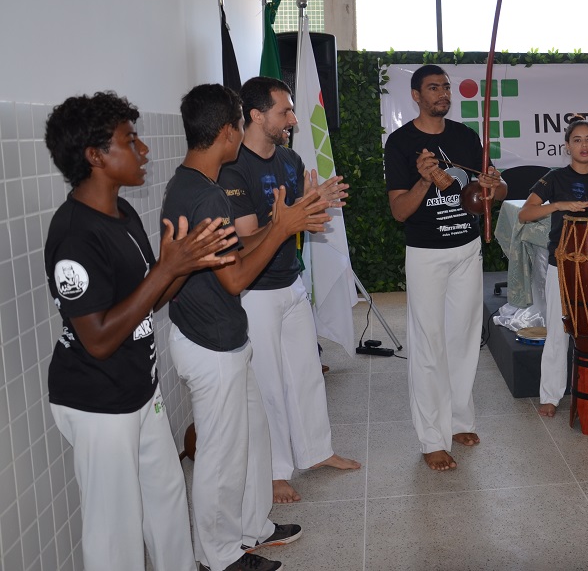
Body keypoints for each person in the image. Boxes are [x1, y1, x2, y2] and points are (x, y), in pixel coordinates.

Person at [43, 91, 236, 571]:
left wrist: (187, 264)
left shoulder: (122, 213)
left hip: (139, 390)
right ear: (95, 156)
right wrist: (167, 268)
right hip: (98, 402)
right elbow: (98, 339)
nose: (144, 150)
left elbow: (149, 299)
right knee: (115, 533)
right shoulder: (75, 236)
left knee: (167, 503)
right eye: (131, 140)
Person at [162, 83, 330, 571]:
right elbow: (235, 279)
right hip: (209, 343)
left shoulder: (199, 185)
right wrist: (283, 229)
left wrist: (281, 224)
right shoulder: (203, 196)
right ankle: (218, 556)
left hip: (227, 338)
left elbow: (235, 254)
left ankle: (253, 527)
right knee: (221, 455)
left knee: (254, 438)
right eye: (238, 125)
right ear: (227, 132)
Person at [219, 76, 361, 505]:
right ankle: (276, 471)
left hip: (290, 281)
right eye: (285, 111)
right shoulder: (233, 168)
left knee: (305, 372)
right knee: (269, 383)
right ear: (256, 115)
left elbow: (304, 222)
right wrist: (294, 215)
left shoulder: (290, 159)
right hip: (255, 292)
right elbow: (245, 240)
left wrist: (316, 204)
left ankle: (317, 451)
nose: (294, 119)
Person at [383, 64, 506, 471]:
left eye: (446, 87)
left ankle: (459, 420)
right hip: (426, 254)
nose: (443, 94)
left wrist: (495, 186)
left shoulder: (465, 137)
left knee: (464, 339)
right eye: (433, 88)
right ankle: (432, 438)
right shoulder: (400, 143)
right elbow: (399, 211)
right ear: (416, 96)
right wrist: (423, 181)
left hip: (467, 249)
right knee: (428, 344)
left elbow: (496, 190)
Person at [517, 117, 588, 418]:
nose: (584, 145)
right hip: (562, 263)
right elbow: (525, 213)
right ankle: (551, 395)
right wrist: (559, 205)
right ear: (567, 147)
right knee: (558, 330)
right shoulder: (554, 178)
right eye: (577, 140)